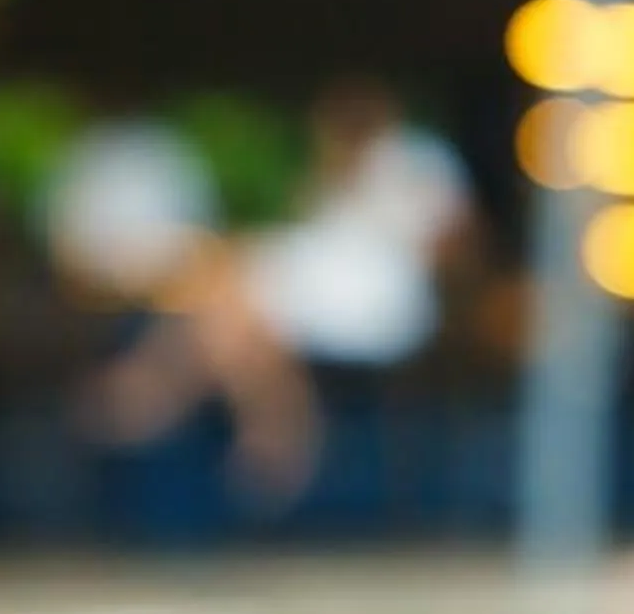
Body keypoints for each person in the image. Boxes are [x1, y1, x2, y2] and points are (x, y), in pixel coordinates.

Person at [71, 79, 472, 507]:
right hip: (322, 293)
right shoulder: (332, 170)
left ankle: (167, 390)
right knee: (235, 305)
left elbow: (455, 248)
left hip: (381, 301)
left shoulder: (416, 160)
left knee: (231, 290)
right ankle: (273, 431)